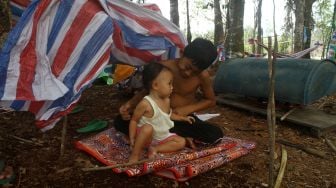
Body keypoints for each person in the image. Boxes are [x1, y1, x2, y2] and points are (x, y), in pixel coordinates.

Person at [115, 37, 223, 145]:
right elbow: (146, 91)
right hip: (157, 117)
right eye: (187, 67)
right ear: (183, 53)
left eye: (195, 72)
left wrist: (186, 109)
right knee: (120, 121)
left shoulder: (202, 76)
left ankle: (160, 138)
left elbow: (210, 100)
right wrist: (130, 104)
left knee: (215, 134)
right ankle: (176, 139)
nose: (188, 73)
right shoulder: (163, 68)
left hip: (182, 119)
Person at [128, 63, 194, 162]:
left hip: (161, 138)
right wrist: (132, 138)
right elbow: (134, 120)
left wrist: (183, 118)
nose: (172, 87)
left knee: (181, 141)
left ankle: (155, 149)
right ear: (155, 85)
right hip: (146, 138)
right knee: (147, 128)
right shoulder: (145, 103)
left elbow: (168, 115)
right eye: (169, 83)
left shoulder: (167, 100)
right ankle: (135, 155)